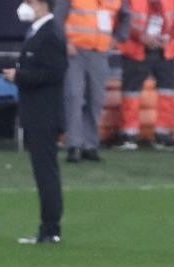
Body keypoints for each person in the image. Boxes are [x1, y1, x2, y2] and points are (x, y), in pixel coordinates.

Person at [3, 0, 67, 245]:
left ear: (41, 4)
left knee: (46, 173)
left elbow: (54, 73)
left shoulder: (50, 34)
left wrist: (19, 75)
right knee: (43, 172)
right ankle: (48, 228)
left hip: (44, 114)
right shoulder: (39, 32)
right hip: (36, 112)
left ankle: (50, 229)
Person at [114, 0, 174, 151]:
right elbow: (119, 17)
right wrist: (140, 36)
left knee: (167, 92)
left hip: (167, 48)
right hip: (136, 48)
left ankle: (163, 135)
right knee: (131, 92)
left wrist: (169, 36)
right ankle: (128, 135)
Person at [55, 0, 120, 162]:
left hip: (99, 54)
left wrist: (118, 38)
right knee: (74, 97)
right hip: (74, 52)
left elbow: (126, 16)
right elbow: (57, 18)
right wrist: (66, 42)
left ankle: (90, 146)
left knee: (95, 100)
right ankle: (74, 146)